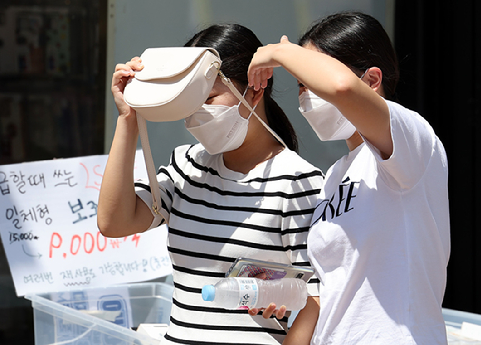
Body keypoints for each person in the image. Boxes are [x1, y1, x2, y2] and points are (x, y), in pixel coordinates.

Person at [97, 23, 322, 345]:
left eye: (210, 97)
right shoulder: (187, 166)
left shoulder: (298, 182)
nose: (196, 114)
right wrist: (128, 119)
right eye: (190, 101)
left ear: (255, 89)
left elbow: (318, 299)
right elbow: (114, 222)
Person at [247, 12, 451, 344]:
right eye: (301, 85)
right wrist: (286, 293)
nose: (306, 95)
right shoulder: (335, 176)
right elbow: (333, 292)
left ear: (371, 80)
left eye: (311, 80)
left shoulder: (413, 138)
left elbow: (341, 87)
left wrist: (281, 52)